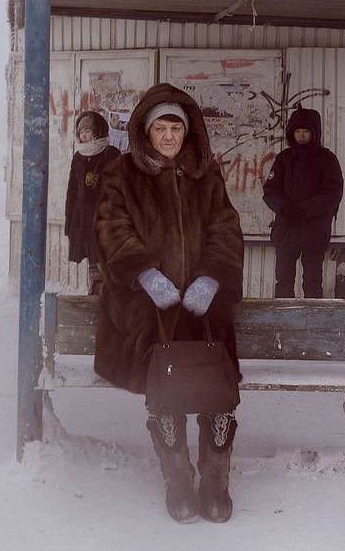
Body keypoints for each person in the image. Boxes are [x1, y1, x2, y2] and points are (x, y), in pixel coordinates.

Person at [93, 83, 244, 524]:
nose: (168, 136)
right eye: (160, 127)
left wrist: (212, 276)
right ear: (145, 131)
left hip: (203, 305)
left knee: (219, 387)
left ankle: (215, 480)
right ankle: (178, 478)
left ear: (188, 131)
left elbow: (226, 227)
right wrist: (144, 272)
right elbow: (109, 227)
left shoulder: (206, 172)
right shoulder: (121, 173)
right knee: (164, 390)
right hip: (146, 306)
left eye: (175, 127)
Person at [262, 106, 344, 298]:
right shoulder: (284, 159)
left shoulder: (327, 159)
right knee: (283, 280)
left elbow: (332, 193)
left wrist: (300, 211)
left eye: (305, 131)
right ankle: (283, 321)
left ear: (314, 133)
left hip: (314, 230)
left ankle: (313, 322)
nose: (301, 136)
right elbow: (270, 190)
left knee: (313, 282)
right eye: (297, 131)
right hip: (286, 228)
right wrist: (285, 209)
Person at [63, 111, 121, 295]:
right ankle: (95, 294)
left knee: (107, 258)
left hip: (105, 217)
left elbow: (120, 188)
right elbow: (72, 191)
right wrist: (69, 221)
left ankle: (110, 295)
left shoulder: (111, 154)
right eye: (81, 132)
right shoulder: (78, 157)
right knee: (91, 257)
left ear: (97, 131)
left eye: (87, 131)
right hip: (83, 218)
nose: (84, 136)